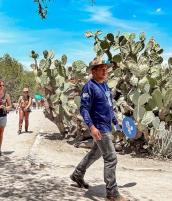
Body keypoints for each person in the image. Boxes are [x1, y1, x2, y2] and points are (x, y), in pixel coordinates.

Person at [70, 57, 127, 201]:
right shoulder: (89, 86)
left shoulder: (105, 86)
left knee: (95, 153)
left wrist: (116, 122)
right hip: (99, 128)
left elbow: (109, 107)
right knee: (111, 158)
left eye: (106, 68)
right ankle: (112, 194)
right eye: (101, 69)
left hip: (107, 126)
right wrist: (92, 127)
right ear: (93, 71)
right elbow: (84, 109)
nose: (105, 71)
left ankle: (77, 174)